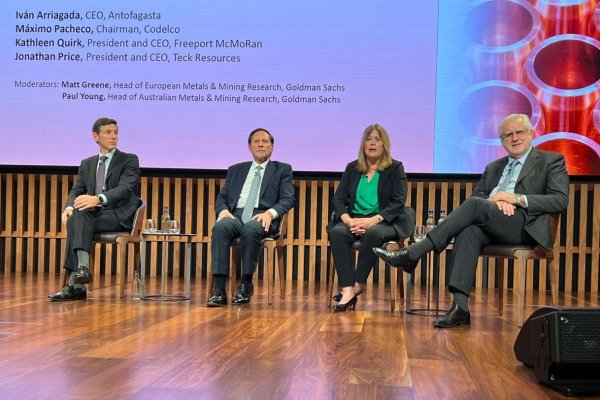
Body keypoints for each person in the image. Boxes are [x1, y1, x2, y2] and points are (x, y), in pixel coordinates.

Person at [374, 114, 569, 327]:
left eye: (519, 132)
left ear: (531, 134)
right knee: (468, 231)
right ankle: (460, 308)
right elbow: (479, 198)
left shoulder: (551, 161)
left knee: (476, 205)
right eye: (508, 135)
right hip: (494, 219)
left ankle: (413, 253)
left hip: (524, 225)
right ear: (502, 140)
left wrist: (515, 199)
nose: (514, 138)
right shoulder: (494, 167)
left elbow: (559, 200)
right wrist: (495, 201)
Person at [48, 117, 141, 301]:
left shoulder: (129, 160)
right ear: (95, 136)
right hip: (93, 216)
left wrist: (97, 199)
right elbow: (77, 190)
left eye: (115, 132)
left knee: (78, 218)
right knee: (75, 215)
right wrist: (68, 207)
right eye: (108, 132)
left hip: (118, 214)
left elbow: (125, 189)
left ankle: (76, 282)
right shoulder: (87, 163)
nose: (113, 136)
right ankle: (81, 272)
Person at [327, 124, 413, 312]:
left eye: (377, 139)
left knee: (373, 234)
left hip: (383, 221)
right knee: (337, 233)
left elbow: (398, 202)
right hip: (354, 220)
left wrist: (372, 220)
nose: (372, 143)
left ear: (384, 145)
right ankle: (349, 289)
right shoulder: (352, 168)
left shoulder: (395, 168)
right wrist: (349, 221)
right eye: (368, 138)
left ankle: (357, 284)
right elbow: (339, 199)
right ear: (363, 144)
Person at [207, 128, 295, 307]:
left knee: (251, 228)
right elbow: (222, 196)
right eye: (256, 141)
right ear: (249, 147)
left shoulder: (282, 170)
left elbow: (288, 198)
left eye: (265, 141)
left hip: (263, 215)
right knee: (221, 228)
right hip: (235, 215)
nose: (260, 144)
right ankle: (219, 289)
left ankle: (246, 283)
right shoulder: (236, 170)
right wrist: (223, 211)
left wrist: (270, 213)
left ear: (272, 147)